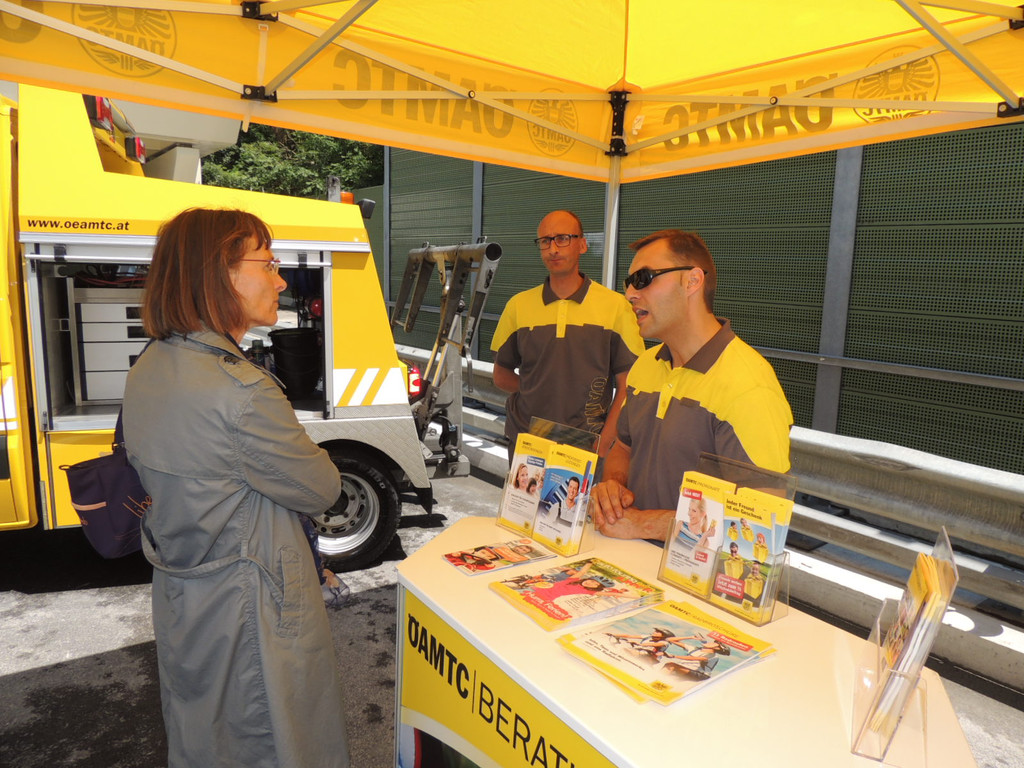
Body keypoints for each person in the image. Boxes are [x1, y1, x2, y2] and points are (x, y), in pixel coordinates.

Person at [122, 208, 349, 768]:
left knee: (206, 737)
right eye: (268, 264)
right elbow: (322, 488)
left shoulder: (150, 365)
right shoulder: (241, 390)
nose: (281, 281)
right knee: (271, 741)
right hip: (252, 609)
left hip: (186, 595)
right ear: (217, 273)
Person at [593, 229, 792, 541]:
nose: (630, 294)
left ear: (693, 281)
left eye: (643, 279)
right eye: (628, 283)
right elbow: (624, 448)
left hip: (699, 571)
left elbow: (762, 519)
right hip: (631, 559)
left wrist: (645, 524)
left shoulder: (748, 385)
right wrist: (614, 487)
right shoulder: (646, 366)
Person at [491, 210, 645, 459]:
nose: (553, 249)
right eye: (545, 241)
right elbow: (501, 375)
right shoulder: (518, 305)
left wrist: (606, 440)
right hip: (528, 440)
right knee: (526, 488)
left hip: (587, 444)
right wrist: (537, 390)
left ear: (582, 244)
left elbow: (629, 384)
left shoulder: (616, 306)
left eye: (562, 238)